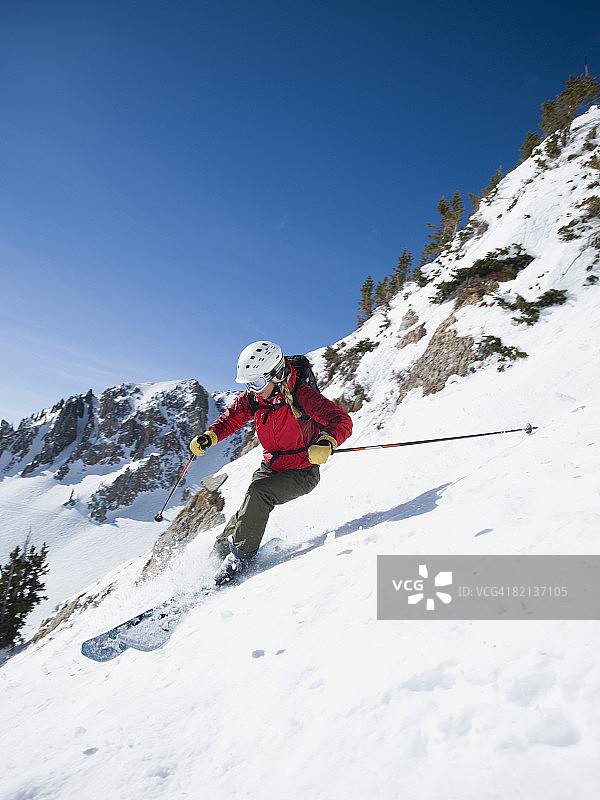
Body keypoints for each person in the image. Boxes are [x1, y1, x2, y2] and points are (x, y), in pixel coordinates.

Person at [189, 341, 353, 585]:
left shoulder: (301, 394)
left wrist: (327, 442)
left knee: (259, 494)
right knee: (245, 512)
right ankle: (219, 555)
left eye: (256, 383)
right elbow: (231, 418)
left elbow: (340, 420)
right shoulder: (256, 397)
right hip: (272, 466)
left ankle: (239, 560)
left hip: (302, 471)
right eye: (249, 384)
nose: (253, 390)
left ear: (275, 375)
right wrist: (209, 436)